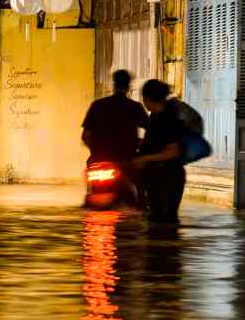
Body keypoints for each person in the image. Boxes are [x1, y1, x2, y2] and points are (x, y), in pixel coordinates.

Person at [81, 68, 148, 198]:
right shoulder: (135, 108)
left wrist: (95, 151)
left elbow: (85, 137)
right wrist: (140, 143)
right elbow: (151, 131)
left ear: (114, 85)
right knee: (141, 200)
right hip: (128, 162)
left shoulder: (97, 105)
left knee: (92, 197)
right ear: (129, 86)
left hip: (99, 162)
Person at [132, 79, 189, 225]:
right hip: (157, 178)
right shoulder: (155, 116)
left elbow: (173, 151)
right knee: (157, 223)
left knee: (165, 222)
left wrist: (146, 159)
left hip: (168, 178)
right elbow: (156, 143)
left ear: (148, 98)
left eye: (143, 97)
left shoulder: (168, 118)